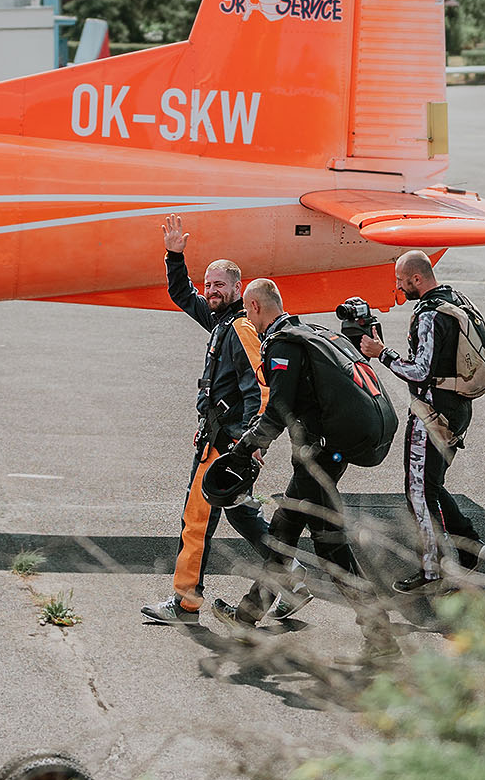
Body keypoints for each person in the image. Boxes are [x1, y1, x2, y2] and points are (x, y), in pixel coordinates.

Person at [206, 280, 399, 663]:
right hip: (329, 451)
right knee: (284, 529)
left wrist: (246, 449)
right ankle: (248, 617)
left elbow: (277, 408)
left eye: (248, 311)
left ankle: (383, 639)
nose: (248, 319)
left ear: (256, 306)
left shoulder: (283, 344)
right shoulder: (308, 331)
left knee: (330, 545)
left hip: (321, 454)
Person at [141, 215, 263, 625]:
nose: (211, 291)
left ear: (237, 289)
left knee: (196, 521)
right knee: (241, 513)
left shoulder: (241, 328)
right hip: (217, 439)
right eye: (208, 285)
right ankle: (293, 576)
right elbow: (181, 292)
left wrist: (250, 446)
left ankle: (185, 602)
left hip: (225, 446)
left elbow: (258, 391)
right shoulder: (219, 322)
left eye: (219, 286)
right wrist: (175, 255)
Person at [360, 251, 485, 596]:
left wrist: (381, 353)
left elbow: (421, 371)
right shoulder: (456, 300)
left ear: (417, 278)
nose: (399, 289)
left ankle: (433, 570)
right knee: (431, 484)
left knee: (418, 492)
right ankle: (469, 546)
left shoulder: (429, 315)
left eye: (402, 282)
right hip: (459, 407)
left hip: (432, 414)